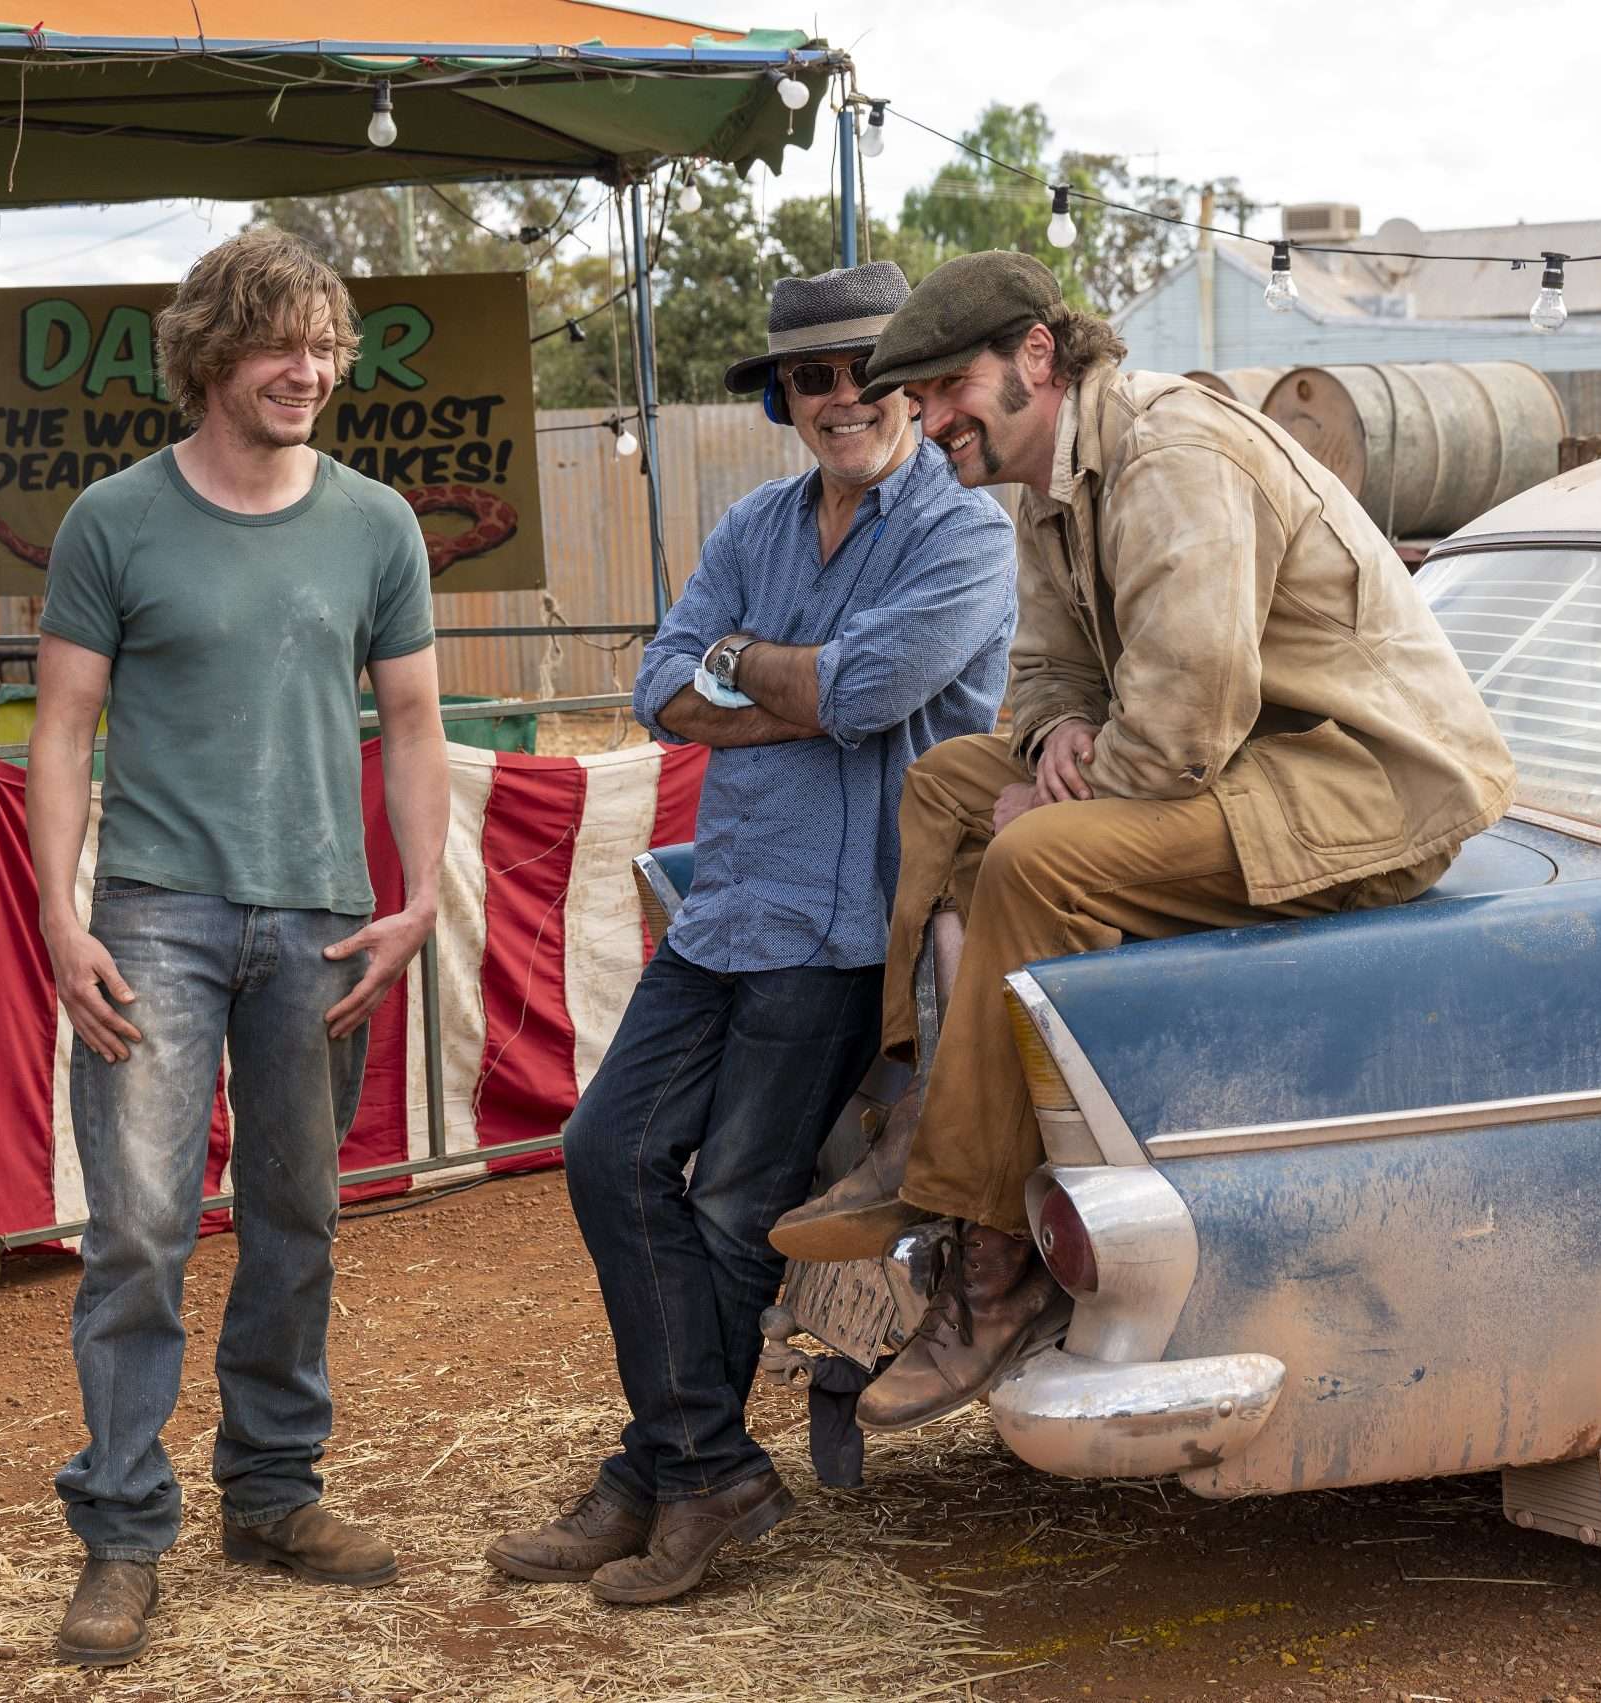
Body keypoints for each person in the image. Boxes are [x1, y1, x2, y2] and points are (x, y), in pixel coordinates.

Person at [770, 251, 1517, 1435]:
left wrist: (1069, 789)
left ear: (1034, 357)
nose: (927, 418)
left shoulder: (1170, 451)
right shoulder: (1049, 483)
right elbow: (1046, 676)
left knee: (1035, 856)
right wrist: (1061, 731)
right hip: (1243, 767)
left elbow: (1185, 715)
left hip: (1365, 789)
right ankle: (921, 1107)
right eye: (913, 396)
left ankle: (993, 1261)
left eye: (944, 387)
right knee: (954, 781)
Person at [485, 261, 1015, 1605]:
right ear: (785, 395)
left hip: (850, 929)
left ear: (906, 381)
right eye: (814, 375)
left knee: (732, 1204)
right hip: (728, 904)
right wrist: (803, 691)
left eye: (867, 370)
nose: (844, 396)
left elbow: (878, 684)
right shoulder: (752, 524)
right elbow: (663, 684)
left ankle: (666, 1472)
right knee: (605, 1147)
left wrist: (761, 672)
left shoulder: (965, 532)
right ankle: (693, 1463)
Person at [28, 226, 450, 1667]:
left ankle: (271, 1489)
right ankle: (122, 1528)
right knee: (140, 1224)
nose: (312, 369)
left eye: (327, 345)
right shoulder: (114, 520)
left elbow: (412, 721)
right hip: (153, 906)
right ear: (212, 354)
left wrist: (422, 894)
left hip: (325, 912)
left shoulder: (375, 522)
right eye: (283, 344)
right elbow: (65, 727)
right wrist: (57, 910)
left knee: (300, 1215)